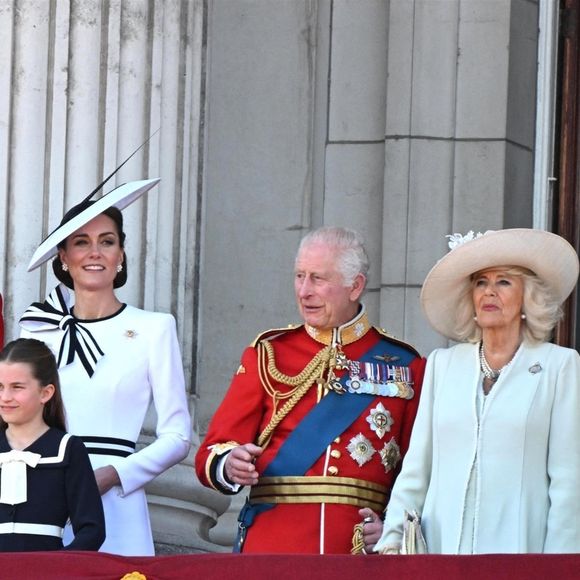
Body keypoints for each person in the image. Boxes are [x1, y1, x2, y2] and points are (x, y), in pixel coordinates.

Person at [195, 226, 426, 554]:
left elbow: (418, 470)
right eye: (299, 276)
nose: (304, 291)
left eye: (318, 278)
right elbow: (213, 451)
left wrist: (393, 525)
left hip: (357, 550)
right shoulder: (268, 353)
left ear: (355, 286)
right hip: (273, 547)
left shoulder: (405, 363)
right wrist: (230, 462)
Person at [375, 228, 580, 554]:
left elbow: (568, 484)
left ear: (528, 297)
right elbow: (417, 468)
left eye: (503, 282)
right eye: (481, 282)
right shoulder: (443, 365)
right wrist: (392, 541)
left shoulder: (559, 367)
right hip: (442, 553)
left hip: (521, 555)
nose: (489, 292)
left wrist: (561, 566)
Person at [19, 179, 192, 556]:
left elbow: (177, 437)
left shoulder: (155, 328)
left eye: (107, 241)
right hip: (45, 494)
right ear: (63, 257)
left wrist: (114, 475)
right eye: (81, 242)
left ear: (121, 254)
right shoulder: (37, 330)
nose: (94, 252)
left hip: (118, 499)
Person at [0, 338, 105, 551]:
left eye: (17, 387)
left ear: (45, 393)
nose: (5, 397)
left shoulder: (68, 449)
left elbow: (92, 530)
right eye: (0, 387)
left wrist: (57, 568)